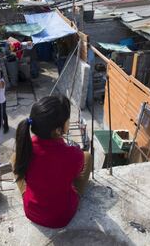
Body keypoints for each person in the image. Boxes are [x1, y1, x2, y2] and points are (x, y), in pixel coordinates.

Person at [12, 95, 92, 228]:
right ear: (58, 130)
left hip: (31, 211)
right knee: (87, 157)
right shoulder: (74, 155)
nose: (69, 121)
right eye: (67, 119)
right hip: (62, 217)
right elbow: (73, 172)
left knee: (15, 159)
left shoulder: (26, 148)